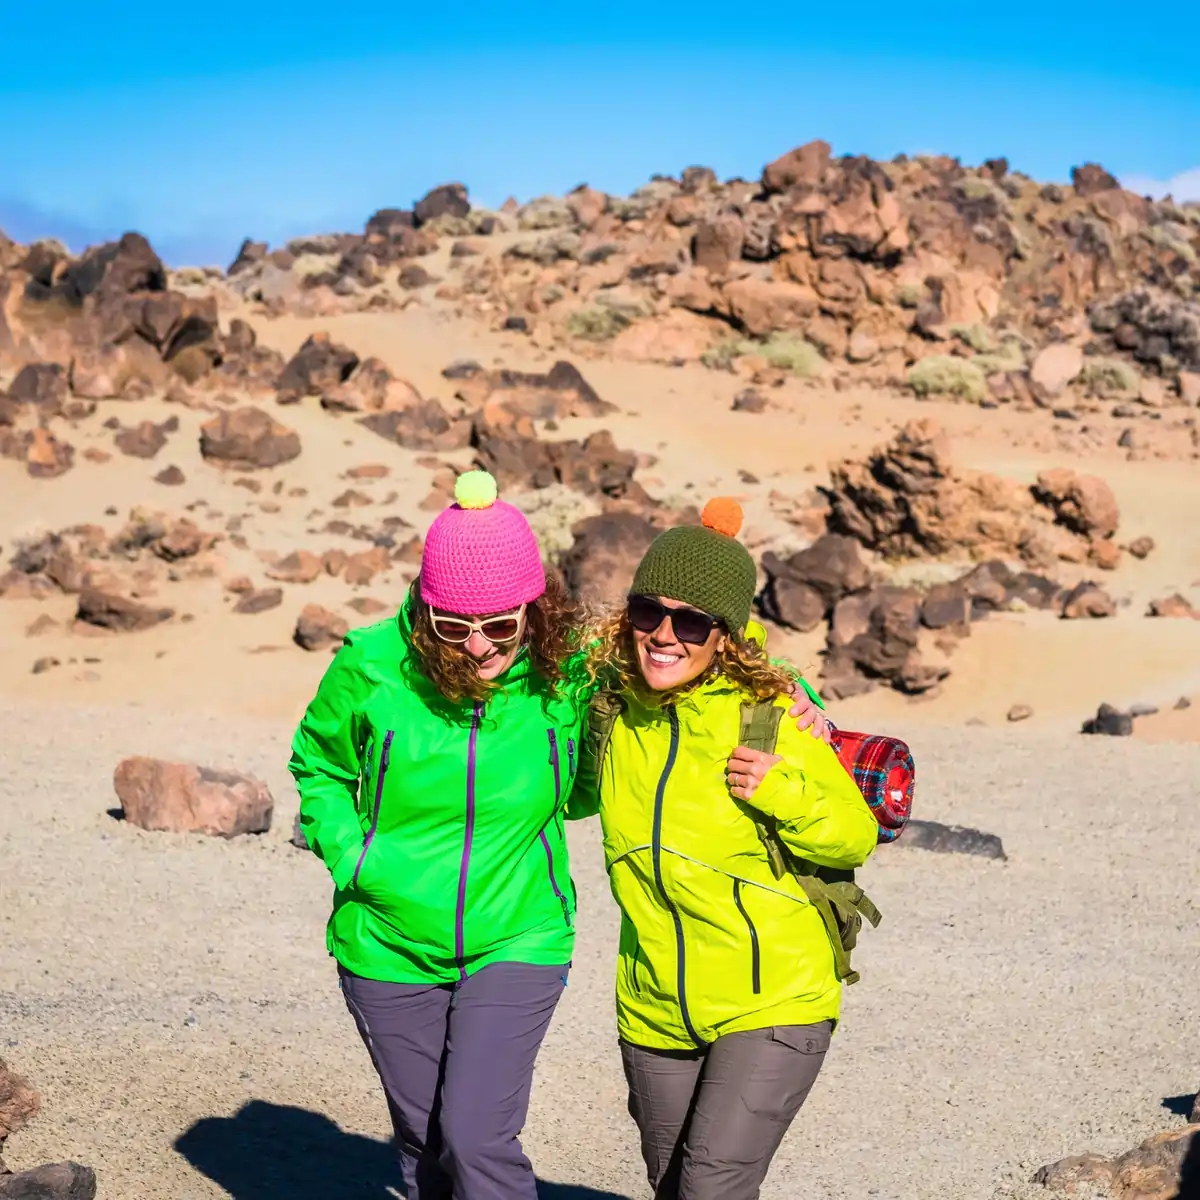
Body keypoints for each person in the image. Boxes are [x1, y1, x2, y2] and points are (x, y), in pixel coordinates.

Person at [289, 471, 830, 1200]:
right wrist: (357, 859)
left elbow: (699, 652)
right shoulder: (371, 664)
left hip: (520, 936)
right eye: (452, 626)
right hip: (384, 936)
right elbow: (318, 764)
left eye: (498, 625)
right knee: (425, 1143)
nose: (476, 646)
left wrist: (799, 691)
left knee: (476, 1135)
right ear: (426, 611)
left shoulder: (571, 669)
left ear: (532, 608)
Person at [568, 497, 879, 1200]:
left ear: (725, 636)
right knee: (674, 1186)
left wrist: (784, 790)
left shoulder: (769, 715)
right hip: (653, 1006)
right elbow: (564, 791)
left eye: (691, 622)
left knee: (710, 1189)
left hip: (775, 1000)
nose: (664, 635)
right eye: (648, 612)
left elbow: (855, 832)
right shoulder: (609, 710)